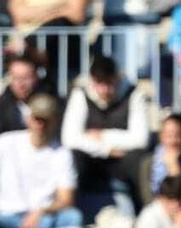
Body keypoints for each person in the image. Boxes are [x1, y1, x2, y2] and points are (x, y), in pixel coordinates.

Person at [0, 95, 79, 228]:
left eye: (46, 120)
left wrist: (41, 211)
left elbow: (66, 199)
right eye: (37, 119)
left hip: (42, 218)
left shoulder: (62, 154)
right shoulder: (6, 141)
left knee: (72, 218)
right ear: (29, 119)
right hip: (4, 217)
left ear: (55, 122)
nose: (40, 125)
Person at [59, 54, 149, 200]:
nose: (105, 90)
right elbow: (69, 138)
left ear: (117, 78)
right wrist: (106, 150)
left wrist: (103, 135)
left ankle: (142, 208)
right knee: (73, 155)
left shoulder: (134, 94)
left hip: (122, 163)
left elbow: (140, 139)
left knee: (138, 158)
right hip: (91, 162)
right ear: (92, 80)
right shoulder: (80, 93)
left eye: (110, 83)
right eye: (100, 83)